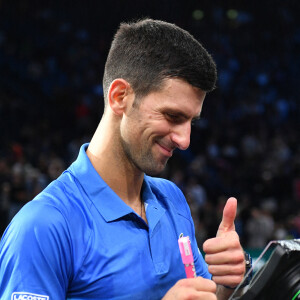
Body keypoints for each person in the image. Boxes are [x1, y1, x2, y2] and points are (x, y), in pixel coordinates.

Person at [0, 19, 247, 300]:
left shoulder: (173, 200)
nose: (185, 140)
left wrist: (227, 284)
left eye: (191, 121)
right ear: (120, 97)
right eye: (173, 117)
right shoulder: (43, 227)